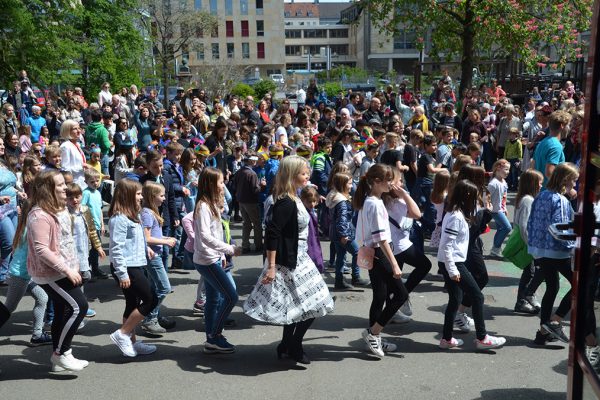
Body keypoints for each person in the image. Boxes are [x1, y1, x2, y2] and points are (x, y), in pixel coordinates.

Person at [244, 156, 334, 364]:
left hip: (300, 258)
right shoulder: (285, 201)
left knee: (299, 307)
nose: (307, 176)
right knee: (314, 304)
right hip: (289, 262)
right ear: (292, 176)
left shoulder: (294, 196)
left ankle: (287, 345)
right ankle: (294, 345)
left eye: (307, 172)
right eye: (303, 173)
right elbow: (272, 234)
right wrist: (272, 267)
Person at [26, 169, 89, 371]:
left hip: (64, 269)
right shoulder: (39, 215)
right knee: (80, 307)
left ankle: (58, 358)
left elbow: (66, 242)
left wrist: (75, 265)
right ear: (48, 189)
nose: (65, 187)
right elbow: (41, 249)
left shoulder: (60, 209)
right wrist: (67, 270)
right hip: (50, 272)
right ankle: (62, 353)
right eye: (60, 185)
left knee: (62, 311)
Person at [438, 179, 506, 350]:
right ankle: (482, 338)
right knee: (477, 297)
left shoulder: (458, 213)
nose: (477, 200)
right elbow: (446, 244)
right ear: (467, 196)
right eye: (475, 197)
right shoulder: (455, 216)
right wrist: (452, 269)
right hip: (453, 262)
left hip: (452, 261)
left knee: (455, 300)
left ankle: (446, 339)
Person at [354, 164, 407, 358]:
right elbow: (380, 238)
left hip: (374, 252)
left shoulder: (371, 200)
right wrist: (393, 263)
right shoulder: (374, 203)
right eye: (388, 180)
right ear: (377, 182)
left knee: (380, 296)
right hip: (379, 253)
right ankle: (373, 333)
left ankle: (374, 336)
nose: (392, 183)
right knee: (400, 294)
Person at [527, 162, 578, 344]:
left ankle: (543, 332)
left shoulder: (542, 195)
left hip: (541, 249)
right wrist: (574, 246)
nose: (575, 185)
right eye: (573, 181)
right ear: (565, 180)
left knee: (552, 287)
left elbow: (531, 221)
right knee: (580, 286)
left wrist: (533, 246)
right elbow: (560, 229)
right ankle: (555, 322)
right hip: (557, 251)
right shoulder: (561, 200)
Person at [193, 167, 241, 354]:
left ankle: (211, 340)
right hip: (206, 260)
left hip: (213, 257)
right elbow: (205, 236)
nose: (223, 185)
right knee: (231, 297)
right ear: (211, 184)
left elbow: (217, 233)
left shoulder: (212, 204)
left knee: (213, 300)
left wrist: (221, 255)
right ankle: (216, 335)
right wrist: (229, 249)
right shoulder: (203, 206)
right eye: (221, 182)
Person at [108, 179, 159, 357]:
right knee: (151, 299)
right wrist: (122, 274)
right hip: (127, 267)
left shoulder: (132, 216)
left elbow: (134, 240)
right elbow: (116, 248)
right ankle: (122, 334)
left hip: (136, 264)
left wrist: (146, 249)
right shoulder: (119, 219)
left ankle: (132, 342)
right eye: (137, 194)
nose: (141, 197)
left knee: (132, 303)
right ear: (128, 195)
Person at [1, 199, 51, 346]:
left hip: (27, 274)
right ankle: (37, 334)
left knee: (42, 298)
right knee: (8, 308)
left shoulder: (26, 226)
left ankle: (37, 335)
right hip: (20, 275)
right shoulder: (31, 229)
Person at [383, 168, 431, 319]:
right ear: (392, 185)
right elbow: (417, 214)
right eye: (400, 181)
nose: (402, 183)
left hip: (395, 245)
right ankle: (402, 296)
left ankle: (393, 310)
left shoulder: (387, 200)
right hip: (399, 246)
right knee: (425, 265)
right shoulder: (396, 202)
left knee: (393, 282)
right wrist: (404, 194)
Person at [140, 181, 176, 335]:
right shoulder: (147, 213)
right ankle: (149, 319)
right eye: (161, 195)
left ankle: (156, 316)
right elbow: (146, 238)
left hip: (157, 254)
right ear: (152, 196)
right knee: (164, 287)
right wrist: (165, 241)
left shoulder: (152, 212)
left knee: (155, 288)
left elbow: (154, 235)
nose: (164, 198)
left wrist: (165, 238)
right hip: (152, 256)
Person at [66, 183, 105, 321]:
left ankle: (79, 304)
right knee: (78, 278)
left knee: (85, 276)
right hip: (70, 251)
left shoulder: (85, 210)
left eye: (77, 197)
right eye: (70, 197)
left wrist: (98, 247)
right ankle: (78, 306)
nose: (74, 200)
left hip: (83, 249)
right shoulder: (65, 213)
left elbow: (92, 230)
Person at [326, 172, 369, 289]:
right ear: (342, 185)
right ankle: (356, 277)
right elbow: (342, 219)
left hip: (334, 232)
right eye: (349, 183)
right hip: (343, 233)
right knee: (357, 252)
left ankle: (339, 281)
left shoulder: (333, 196)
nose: (352, 185)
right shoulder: (342, 202)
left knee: (340, 255)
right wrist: (344, 234)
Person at [513, 169, 544, 315]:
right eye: (539, 182)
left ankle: (526, 298)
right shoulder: (528, 200)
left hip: (529, 243)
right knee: (530, 273)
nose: (541, 185)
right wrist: (531, 246)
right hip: (529, 244)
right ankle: (522, 301)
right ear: (532, 184)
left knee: (530, 272)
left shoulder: (526, 199)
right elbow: (524, 226)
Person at [81, 169, 107, 279]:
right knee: (92, 248)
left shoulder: (97, 193)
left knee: (96, 249)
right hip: (89, 226)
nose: (95, 183)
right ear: (86, 181)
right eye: (92, 182)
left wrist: (102, 224)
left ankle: (94, 269)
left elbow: (100, 209)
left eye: (97, 181)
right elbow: (82, 208)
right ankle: (88, 270)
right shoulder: (86, 193)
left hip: (97, 224)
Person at [487, 159, 512, 257]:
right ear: (498, 168)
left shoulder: (503, 181)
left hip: (500, 209)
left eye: (508, 170)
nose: (508, 172)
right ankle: (495, 249)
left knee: (501, 229)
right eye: (506, 169)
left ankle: (495, 249)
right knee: (507, 227)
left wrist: (504, 207)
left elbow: (504, 196)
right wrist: (488, 207)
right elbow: (487, 197)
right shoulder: (493, 183)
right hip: (495, 210)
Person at [59, 120, 87, 189]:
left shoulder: (77, 144)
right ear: (67, 131)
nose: (79, 131)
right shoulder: (65, 146)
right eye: (75, 129)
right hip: (74, 184)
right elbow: (65, 168)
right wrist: (82, 166)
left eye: (79, 128)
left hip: (82, 182)